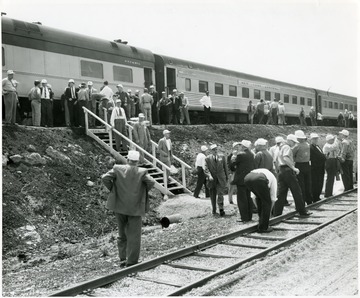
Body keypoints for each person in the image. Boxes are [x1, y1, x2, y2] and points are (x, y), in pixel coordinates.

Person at [102, 150, 155, 267]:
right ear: (138, 162)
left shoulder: (117, 169)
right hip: (135, 209)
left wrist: (114, 190)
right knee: (134, 236)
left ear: (127, 159)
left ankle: (122, 258)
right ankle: (131, 262)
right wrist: (143, 191)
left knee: (122, 234)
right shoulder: (142, 172)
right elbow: (151, 182)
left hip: (120, 207)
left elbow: (105, 178)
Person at [273, 134, 311, 217]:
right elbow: (286, 158)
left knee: (281, 193)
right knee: (297, 191)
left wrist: (278, 170)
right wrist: (293, 168)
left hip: (281, 170)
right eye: (293, 142)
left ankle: (277, 212)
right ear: (289, 140)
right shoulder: (286, 147)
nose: (294, 144)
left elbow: (275, 161)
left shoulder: (278, 148)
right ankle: (302, 211)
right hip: (287, 170)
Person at [244, 168, 277, 233]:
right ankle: (264, 228)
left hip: (247, 178)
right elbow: (273, 199)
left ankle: (261, 221)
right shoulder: (274, 179)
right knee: (267, 202)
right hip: (259, 178)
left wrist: (261, 212)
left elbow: (253, 197)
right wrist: (268, 212)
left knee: (259, 198)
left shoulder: (266, 174)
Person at [230, 140, 254, 222]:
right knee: (248, 198)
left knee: (241, 199)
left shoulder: (240, 155)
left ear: (243, 146)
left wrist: (232, 158)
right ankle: (249, 216)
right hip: (249, 178)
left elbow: (232, 166)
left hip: (241, 180)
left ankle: (244, 217)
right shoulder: (251, 154)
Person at [204, 144, 228, 216]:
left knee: (220, 194)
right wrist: (209, 175)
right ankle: (214, 209)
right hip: (212, 180)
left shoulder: (222, 157)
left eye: (216, 149)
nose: (215, 151)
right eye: (213, 150)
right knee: (212, 194)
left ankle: (221, 209)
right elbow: (206, 169)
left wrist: (226, 177)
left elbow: (225, 168)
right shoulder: (208, 159)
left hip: (220, 178)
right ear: (211, 151)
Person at [292, 130, 313, 205]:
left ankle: (302, 201)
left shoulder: (297, 146)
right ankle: (309, 200)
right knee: (308, 183)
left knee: (301, 184)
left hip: (299, 165)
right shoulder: (307, 145)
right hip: (307, 164)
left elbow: (292, 154)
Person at [309, 133, 326, 202]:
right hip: (315, 168)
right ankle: (314, 197)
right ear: (311, 139)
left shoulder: (317, 146)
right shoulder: (310, 147)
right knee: (315, 183)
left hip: (320, 168)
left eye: (316, 139)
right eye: (314, 139)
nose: (316, 140)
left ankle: (317, 196)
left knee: (320, 182)